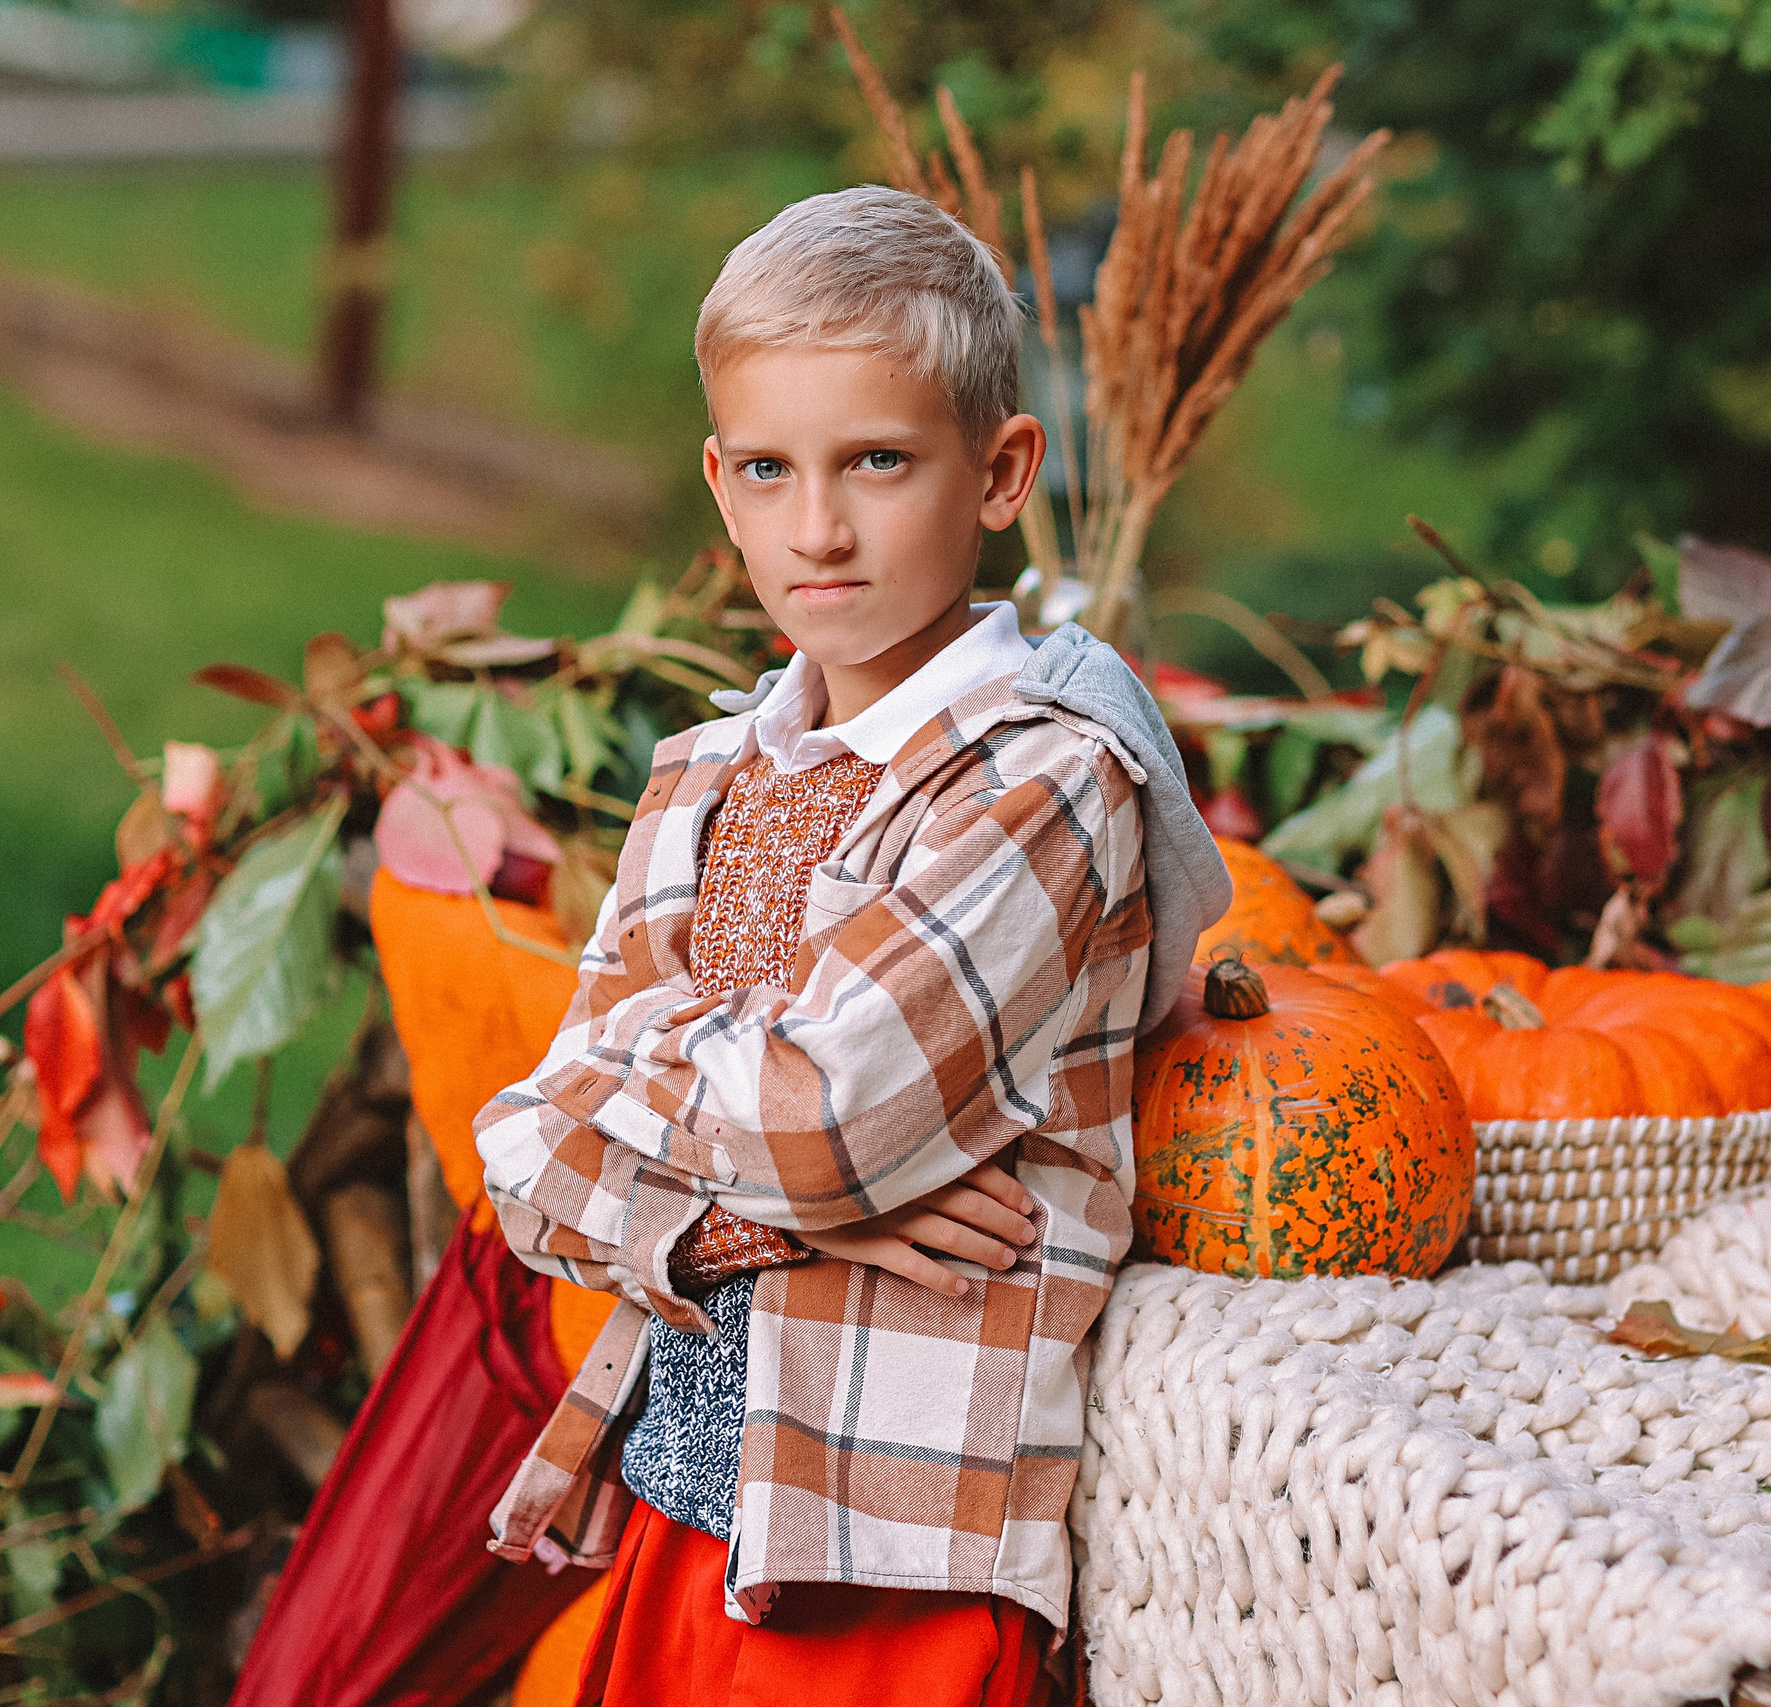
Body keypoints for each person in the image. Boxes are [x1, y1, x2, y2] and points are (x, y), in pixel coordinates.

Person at [473, 184, 1231, 1707]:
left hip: (889, 1549)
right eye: (770, 469)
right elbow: (522, 1151)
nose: (817, 527)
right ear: (721, 483)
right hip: (689, 1506)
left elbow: (821, 1117)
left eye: (877, 462)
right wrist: (763, 1222)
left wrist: (664, 1089)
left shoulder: (1042, 783)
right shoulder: (703, 777)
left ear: (1001, 470)